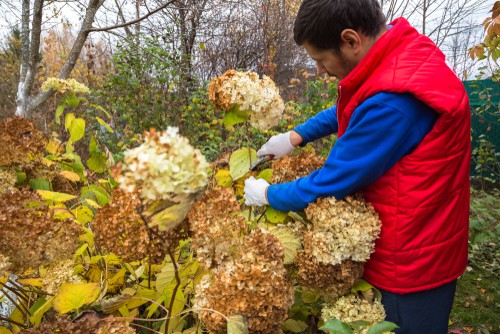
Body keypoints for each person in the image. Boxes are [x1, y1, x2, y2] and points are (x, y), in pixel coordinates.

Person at [243, 0, 471, 333]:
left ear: (351, 40)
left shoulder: (394, 105)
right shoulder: (404, 57)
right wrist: (296, 136)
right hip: (426, 236)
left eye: (321, 59)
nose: (320, 70)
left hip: (408, 265)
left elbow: (333, 180)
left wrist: (268, 194)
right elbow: (357, 102)